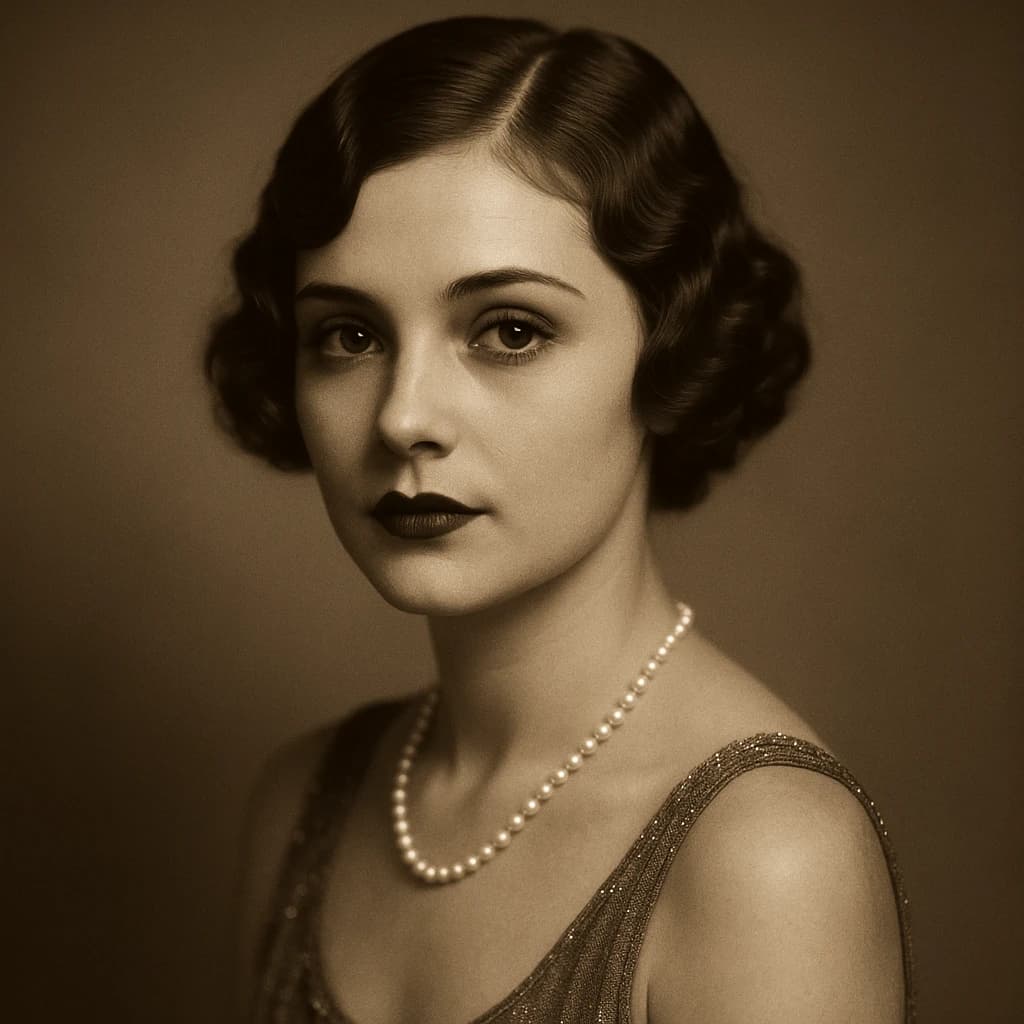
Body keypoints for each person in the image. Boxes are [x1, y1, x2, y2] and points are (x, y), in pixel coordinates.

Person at [206, 15, 914, 1023]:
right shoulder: (299, 804)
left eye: (508, 329)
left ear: (667, 348)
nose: (404, 415)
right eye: (349, 334)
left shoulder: (765, 857)